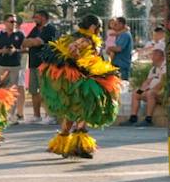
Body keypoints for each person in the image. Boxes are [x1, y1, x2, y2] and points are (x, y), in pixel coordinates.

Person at [40, 15, 123, 159]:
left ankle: (63, 143)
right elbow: (71, 49)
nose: (100, 30)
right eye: (99, 27)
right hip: (78, 79)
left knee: (73, 111)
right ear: (92, 27)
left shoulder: (77, 36)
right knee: (85, 107)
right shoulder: (85, 39)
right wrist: (77, 59)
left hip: (72, 78)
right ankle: (79, 146)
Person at [22, 10, 58, 125]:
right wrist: (32, 42)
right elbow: (24, 42)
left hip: (45, 65)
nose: (34, 19)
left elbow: (38, 42)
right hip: (33, 64)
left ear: (43, 17)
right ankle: (36, 116)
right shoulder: (35, 29)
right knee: (34, 91)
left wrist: (33, 42)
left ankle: (50, 115)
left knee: (46, 91)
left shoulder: (50, 29)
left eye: (36, 17)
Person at [0, 15, 26, 124]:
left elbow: (26, 48)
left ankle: (11, 115)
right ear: (5, 22)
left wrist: (16, 50)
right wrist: (2, 51)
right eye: (11, 21)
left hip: (15, 66)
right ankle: (1, 115)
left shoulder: (20, 34)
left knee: (13, 91)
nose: (14, 23)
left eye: (15, 21)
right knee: (0, 90)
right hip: (1, 65)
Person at [125, 47, 166, 126]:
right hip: (149, 91)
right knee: (136, 93)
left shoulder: (165, 67)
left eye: (154, 55)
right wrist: (141, 90)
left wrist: (151, 90)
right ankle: (133, 118)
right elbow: (147, 81)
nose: (152, 58)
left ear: (161, 57)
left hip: (161, 92)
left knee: (150, 93)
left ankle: (148, 119)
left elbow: (162, 82)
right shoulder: (153, 69)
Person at [105, 16, 134, 81]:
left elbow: (119, 49)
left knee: (122, 85)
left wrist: (109, 48)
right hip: (119, 63)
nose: (114, 26)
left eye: (116, 24)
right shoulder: (121, 34)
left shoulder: (125, 35)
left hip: (122, 64)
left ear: (121, 24)